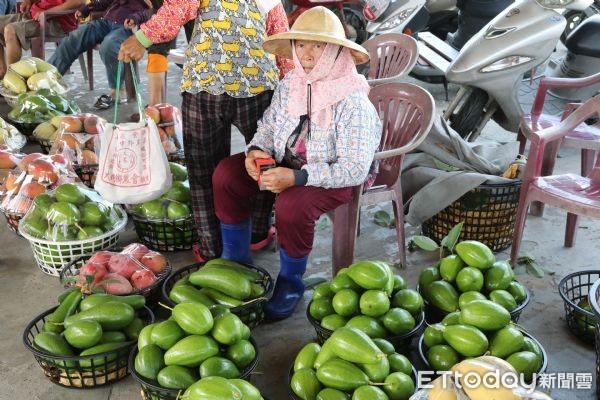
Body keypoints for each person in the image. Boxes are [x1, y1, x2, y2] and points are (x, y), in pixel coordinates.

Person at [211, 7, 382, 320]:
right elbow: (269, 123)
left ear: (335, 51)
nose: (307, 54)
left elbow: (354, 168)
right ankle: (235, 261)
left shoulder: (353, 101)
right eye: (301, 44)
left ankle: (291, 282)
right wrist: (256, 151)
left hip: (333, 177)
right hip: (286, 162)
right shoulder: (292, 82)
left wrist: (298, 178)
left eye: (317, 45)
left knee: (291, 205)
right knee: (226, 175)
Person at [118, 0, 293, 262]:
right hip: (257, 85)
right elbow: (282, 40)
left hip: (204, 85)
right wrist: (289, 90)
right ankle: (256, 233)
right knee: (263, 164)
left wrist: (141, 38)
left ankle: (211, 246)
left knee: (203, 170)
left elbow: (177, 9)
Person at [48, 0, 151, 109]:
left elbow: (150, 10)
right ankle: (49, 77)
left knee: (109, 45)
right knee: (75, 37)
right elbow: (105, 2)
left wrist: (135, 18)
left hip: (126, 27)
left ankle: (118, 90)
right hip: (106, 22)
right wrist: (87, 8)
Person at [0, 0, 83, 78]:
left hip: (56, 21)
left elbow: (78, 2)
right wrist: (29, 1)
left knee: (10, 29)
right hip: (34, 15)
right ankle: (2, 72)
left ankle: (12, 79)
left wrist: (48, 12)